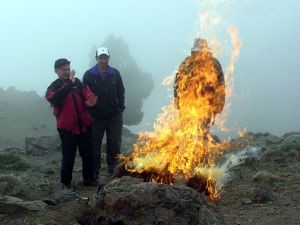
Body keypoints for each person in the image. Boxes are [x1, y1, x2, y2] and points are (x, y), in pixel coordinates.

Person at [46, 58, 98, 189]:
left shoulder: (78, 82)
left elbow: (87, 93)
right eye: (64, 70)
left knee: (88, 153)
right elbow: (55, 99)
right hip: (67, 128)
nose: (67, 72)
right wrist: (69, 82)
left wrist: (91, 100)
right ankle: (66, 182)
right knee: (68, 155)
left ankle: (89, 179)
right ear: (56, 71)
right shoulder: (53, 87)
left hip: (84, 125)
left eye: (68, 69)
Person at [83, 47, 125, 180]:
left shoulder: (115, 73)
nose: (103, 60)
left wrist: (120, 108)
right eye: (100, 57)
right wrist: (90, 111)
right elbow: (84, 94)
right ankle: (94, 172)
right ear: (96, 58)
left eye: (105, 57)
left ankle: (113, 170)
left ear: (108, 58)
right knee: (95, 145)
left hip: (114, 116)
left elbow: (121, 91)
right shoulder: (89, 74)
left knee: (114, 144)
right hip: (96, 117)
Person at [174, 38, 225, 137]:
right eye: (197, 52)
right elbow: (177, 84)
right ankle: (185, 151)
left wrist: (216, 109)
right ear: (193, 51)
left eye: (201, 51)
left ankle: (202, 151)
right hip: (187, 104)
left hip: (206, 105)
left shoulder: (214, 64)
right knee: (186, 134)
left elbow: (220, 88)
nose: (199, 54)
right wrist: (178, 102)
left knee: (202, 134)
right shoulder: (186, 63)